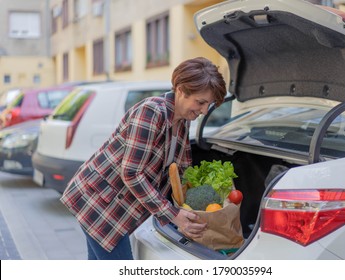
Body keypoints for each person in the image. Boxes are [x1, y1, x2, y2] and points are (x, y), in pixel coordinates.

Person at [60, 57, 227, 260]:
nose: (202, 111)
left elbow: (182, 172)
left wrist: (198, 206)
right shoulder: (151, 112)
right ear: (181, 90)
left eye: (207, 105)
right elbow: (131, 173)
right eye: (200, 102)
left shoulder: (182, 121)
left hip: (114, 205)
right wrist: (173, 215)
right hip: (99, 202)